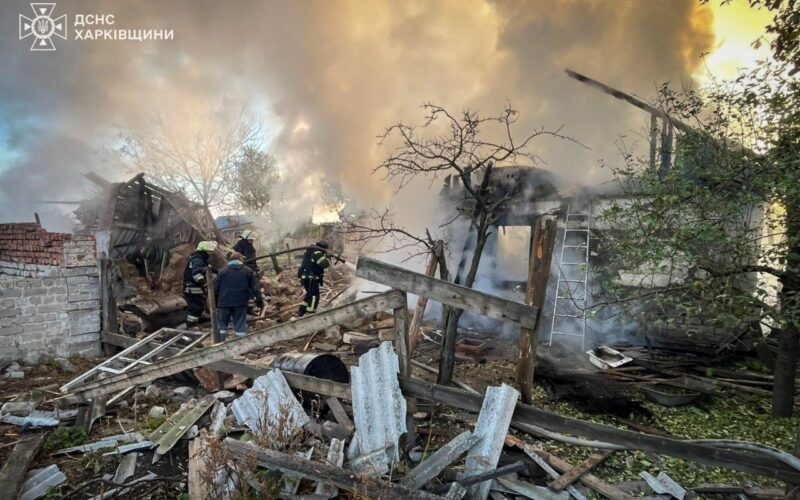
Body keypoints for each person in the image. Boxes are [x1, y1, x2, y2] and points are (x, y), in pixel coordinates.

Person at [214, 252, 264, 341]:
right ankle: (240, 344)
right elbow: (255, 287)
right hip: (240, 303)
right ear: (240, 259)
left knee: (222, 325)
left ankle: (220, 344)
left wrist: (215, 301)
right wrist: (260, 300)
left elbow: (216, 288)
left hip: (223, 303)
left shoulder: (223, 271)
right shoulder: (247, 271)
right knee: (240, 324)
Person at [183, 241, 217, 326]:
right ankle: (191, 325)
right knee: (195, 307)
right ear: (204, 251)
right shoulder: (198, 260)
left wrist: (216, 271)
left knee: (200, 305)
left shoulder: (200, 259)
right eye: (209, 251)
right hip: (193, 288)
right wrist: (204, 283)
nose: (210, 253)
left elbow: (206, 268)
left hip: (195, 288)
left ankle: (200, 316)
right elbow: (197, 274)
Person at [297, 241, 330, 317]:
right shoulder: (317, 253)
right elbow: (325, 264)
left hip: (306, 278)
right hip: (311, 278)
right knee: (314, 296)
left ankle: (301, 311)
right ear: (324, 248)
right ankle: (310, 313)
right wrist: (327, 257)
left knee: (309, 294)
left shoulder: (310, 251)